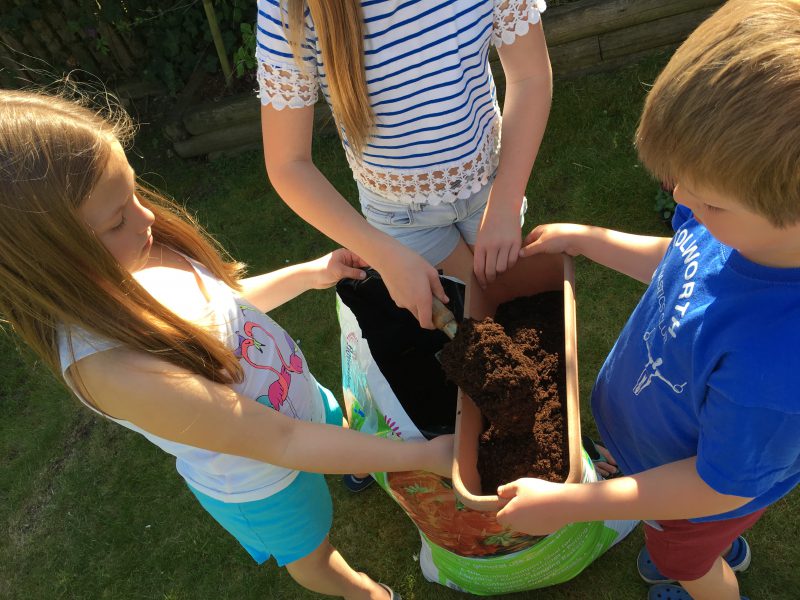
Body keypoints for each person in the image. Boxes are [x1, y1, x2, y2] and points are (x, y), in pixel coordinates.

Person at [0, 88, 454, 600]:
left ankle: (351, 465)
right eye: (117, 219)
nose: (147, 217)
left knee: (336, 431)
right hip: (262, 479)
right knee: (311, 552)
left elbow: (224, 305)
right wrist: (430, 455)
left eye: (135, 194)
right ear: (51, 259)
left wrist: (311, 274)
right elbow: (279, 443)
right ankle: (363, 593)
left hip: (298, 402)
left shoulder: (142, 254)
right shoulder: (114, 370)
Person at [493, 1, 800, 599]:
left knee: (685, 558)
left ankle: (707, 573)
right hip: (653, 456)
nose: (684, 199)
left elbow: (721, 485)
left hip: (695, 498)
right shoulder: (736, 227)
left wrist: (576, 504)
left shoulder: (778, 369)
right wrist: (588, 240)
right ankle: (714, 544)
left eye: (708, 203)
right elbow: (683, 260)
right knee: (690, 533)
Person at [257, 0, 552, 331]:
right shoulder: (287, 7)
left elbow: (531, 77)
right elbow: (288, 164)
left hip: (491, 186)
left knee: (515, 311)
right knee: (479, 332)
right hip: (401, 219)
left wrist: (505, 202)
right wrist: (385, 257)